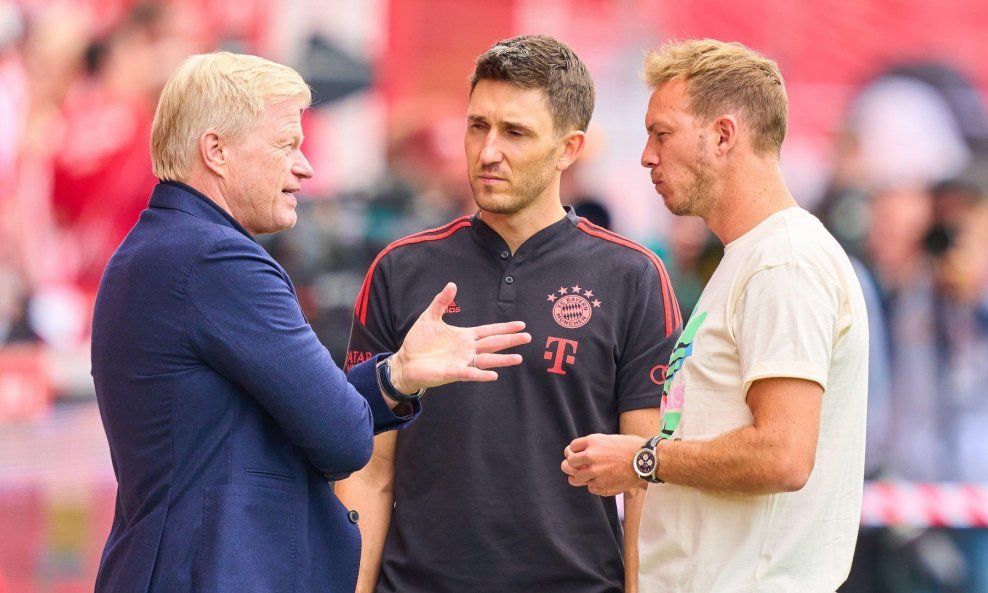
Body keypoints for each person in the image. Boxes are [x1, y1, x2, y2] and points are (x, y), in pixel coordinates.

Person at [90, 52, 531, 593]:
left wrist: (401, 373)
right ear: (216, 151)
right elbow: (342, 438)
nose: (305, 166)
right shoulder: (218, 260)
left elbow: (293, 416)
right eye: (285, 145)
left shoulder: (159, 247)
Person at [335, 35, 682, 593]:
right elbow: (368, 473)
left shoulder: (633, 277)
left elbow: (646, 482)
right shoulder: (400, 270)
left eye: (515, 132)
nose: (487, 150)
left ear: (569, 148)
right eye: (477, 126)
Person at [561, 39, 869, 593]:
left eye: (662, 133)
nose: (646, 155)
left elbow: (783, 455)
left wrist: (643, 460)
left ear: (724, 135)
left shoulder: (783, 261)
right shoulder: (752, 256)